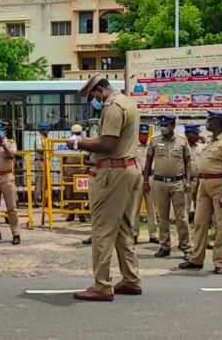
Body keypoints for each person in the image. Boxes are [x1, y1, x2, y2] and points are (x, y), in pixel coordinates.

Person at [70, 75, 142, 302]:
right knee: (123, 228)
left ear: (99, 90)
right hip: (128, 169)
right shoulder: (128, 102)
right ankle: (131, 279)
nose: (94, 101)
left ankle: (102, 285)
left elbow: (108, 144)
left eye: (92, 96)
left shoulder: (112, 107)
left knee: (102, 229)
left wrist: (78, 143)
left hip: (113, 173)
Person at [179, 111, 222, 275]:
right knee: (200, 222)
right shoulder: (210, 140)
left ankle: (219, 262)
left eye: (211, 120)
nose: (208, 122)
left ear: (218, 122)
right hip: (204, 184)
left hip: (220, 184)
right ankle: (196, 258)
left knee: (221, 225)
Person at [145, 115, 191, 258]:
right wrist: (145, 181)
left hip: (177, 183)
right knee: (162, 216)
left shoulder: (182, 141)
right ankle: (165, 245)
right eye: (162, 125)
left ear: (173, 126)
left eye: (166, 125)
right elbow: (148, 161)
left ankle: (185, 246)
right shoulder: (154, 141)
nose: (163, 128)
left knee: (181, 217)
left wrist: (188, 181)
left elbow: (187, 162)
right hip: (159, 182)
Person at [134, 123, 158, 245]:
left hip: (150, 177)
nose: (144, 136)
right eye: (141, 134)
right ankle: (134, 233)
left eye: (145, 134)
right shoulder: (134, 146)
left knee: (151, 207)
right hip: (138, 177)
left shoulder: (152, 145)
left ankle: (153, 234)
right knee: (135, 207)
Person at [64, 124, 88, 224]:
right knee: (80, 192)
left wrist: (65, 167)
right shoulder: (84, 141)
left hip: (70, 168)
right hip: (80, 168)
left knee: (69, 191)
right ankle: (81, 214)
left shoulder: (68, 141)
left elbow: (63, 156)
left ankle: (71, 213)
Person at [183, 124, 204, 224]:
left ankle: (198, 226)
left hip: (199, 180)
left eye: (198, 133)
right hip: (186, 180)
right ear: (188, 134)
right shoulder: (182, 146)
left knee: (200, 205)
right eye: (195, 134)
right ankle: (185, 226)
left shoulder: (201, 147)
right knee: (185, 206)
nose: (198, 136)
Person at [34, 123, 50, 207]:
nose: (47, 131)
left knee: (46, 182)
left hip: (45, 161)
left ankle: (46, 200)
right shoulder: (38, 138)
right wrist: (48, 150)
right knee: (39, 181)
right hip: (40, 161)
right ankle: (37, 200)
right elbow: (39, 149)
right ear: (42, 130)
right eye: (46, 130)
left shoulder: (45, 138)